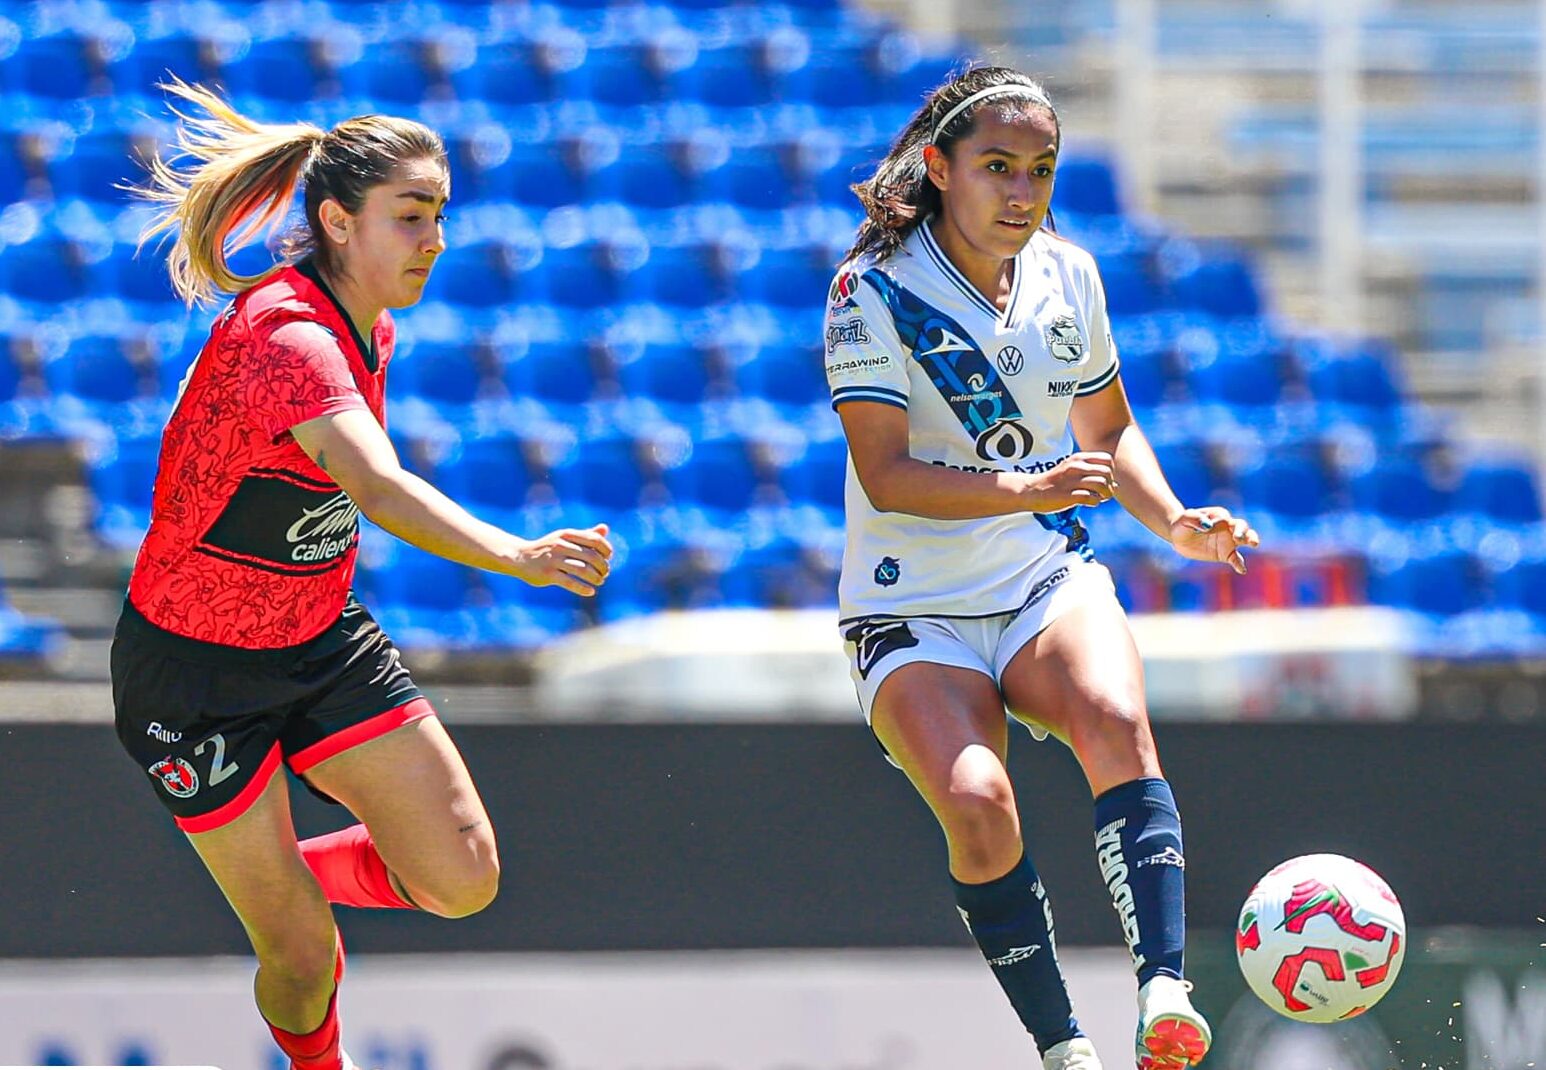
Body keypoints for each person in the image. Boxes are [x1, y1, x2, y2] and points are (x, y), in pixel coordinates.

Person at [114, 80, 613, 1070]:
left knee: (463, 877)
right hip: (194, 676)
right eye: (411, 216)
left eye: (441, 216)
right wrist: (517, 554)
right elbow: (375, 486)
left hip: (316, 636)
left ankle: (279, 872)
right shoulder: (290, 338)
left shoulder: (366, 326)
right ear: (338, 222)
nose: (434, 239)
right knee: (299, 957)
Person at [823, 66, 1259, 1070]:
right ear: (938, 169)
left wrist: (1174, 521)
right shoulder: (872, 290)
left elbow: (1107, 427)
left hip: (1037, 578)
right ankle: (1063, 1043)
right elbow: (886, 476)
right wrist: (1028, 484)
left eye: (1040, 169)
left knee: (1113, 718)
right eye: (996, 168)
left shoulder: (1071, 274)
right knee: (979, 807)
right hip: (912, 609)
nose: (1021, 191)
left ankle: (1163, 990)